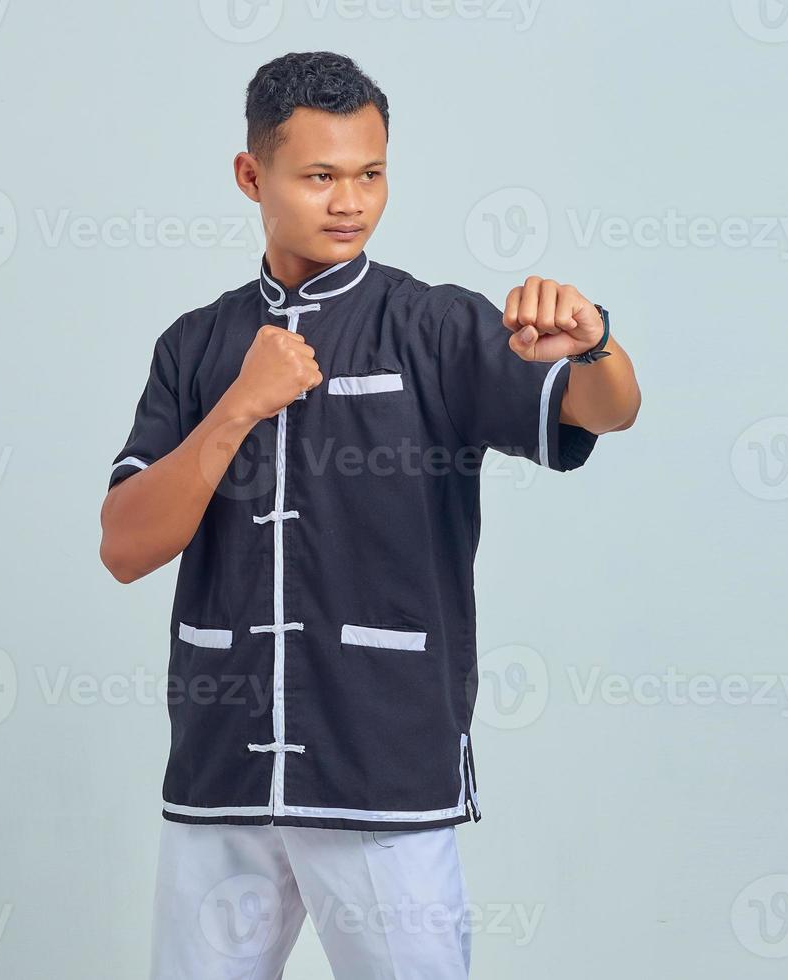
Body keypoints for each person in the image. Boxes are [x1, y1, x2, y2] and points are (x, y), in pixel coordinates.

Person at [98, 51, 640, 979]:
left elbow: (605, 411)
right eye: (319, 177)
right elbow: (126, 544)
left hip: (381, 771)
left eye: (370, 174)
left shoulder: (435, 326)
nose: (350, 201)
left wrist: (596, 347)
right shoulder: (194, 346)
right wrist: (238, 407)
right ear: (250, 176)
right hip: (221, 775)